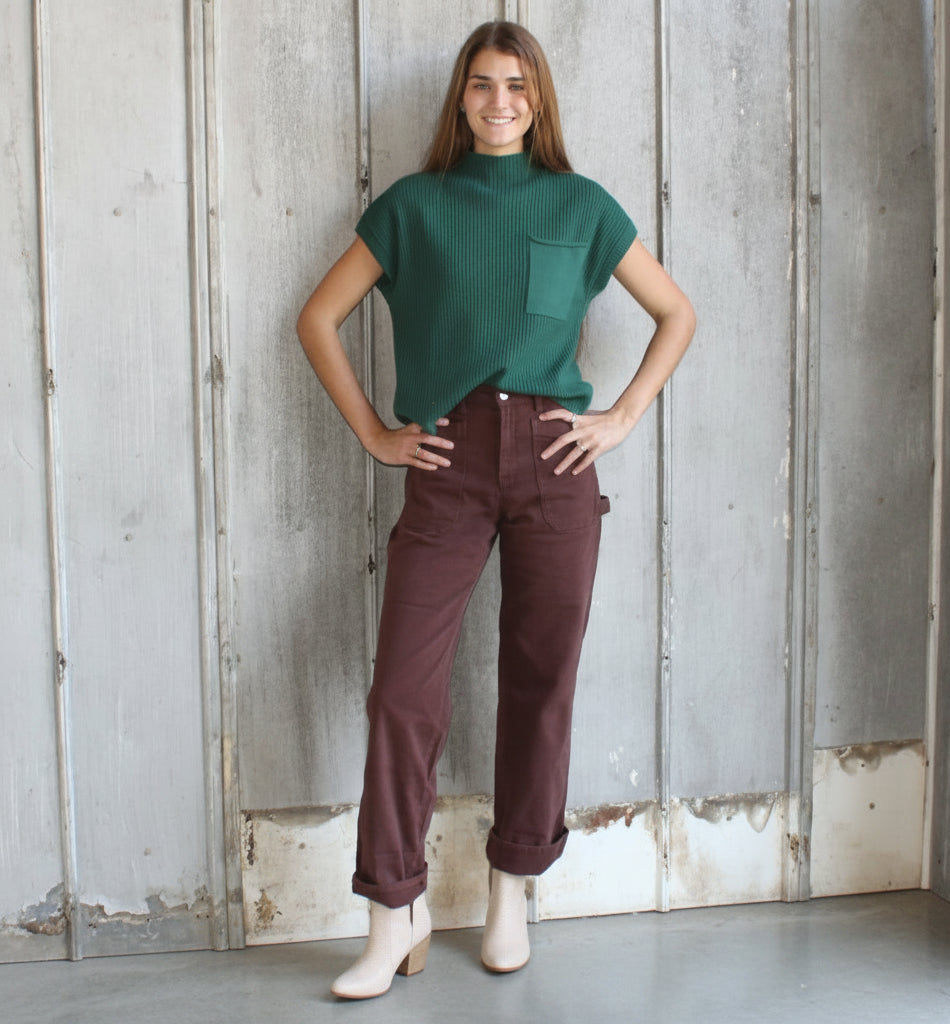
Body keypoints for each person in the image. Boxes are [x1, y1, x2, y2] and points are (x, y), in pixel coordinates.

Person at [296, 20, 696, 1001]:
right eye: (481, 84)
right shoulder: (412, 207)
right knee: (401, 689)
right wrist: (375, 434)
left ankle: (513, 887)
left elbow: (675, 312)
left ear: (539, 97)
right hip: (448, 458)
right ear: (459, 98)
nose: (499, 101)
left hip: (556, 460)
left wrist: (620, 414)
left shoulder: (580, 202)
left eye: (516, 84)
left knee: (540, 677)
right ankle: (396, 910)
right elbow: (316, 317)